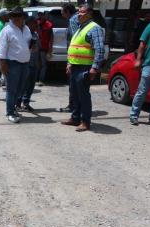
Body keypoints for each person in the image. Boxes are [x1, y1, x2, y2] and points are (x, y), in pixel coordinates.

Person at [61, 4, 105, 132]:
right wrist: (69, 63)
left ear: (89, 14)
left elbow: (99, 49)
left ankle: (85, 121)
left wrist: (94, 68)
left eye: (82, 12)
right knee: (74, 94)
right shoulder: (80, 28)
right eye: (78, 12)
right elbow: (74, 47)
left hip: (85, 67)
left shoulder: (94, 28)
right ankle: (75, 118)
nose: (79, 15)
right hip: (75, 66)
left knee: (83, 96)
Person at [0, 7, 31, 123]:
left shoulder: (26, 29)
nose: (16, 18)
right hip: (12, 64)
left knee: (20, 88)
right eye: (13, 16)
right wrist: (3, 64)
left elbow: (28, 44)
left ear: (23, 17)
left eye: (18, 16)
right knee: (11, 89)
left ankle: (13, 108)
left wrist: (33, 46)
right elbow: (2, 49)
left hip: (25, 63)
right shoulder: (7, 30)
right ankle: (10, 112)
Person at [129, 19, 150, 126]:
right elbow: (142, 44)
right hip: (149, 64)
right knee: (142, 91)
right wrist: (138, 59)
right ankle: (134, 115)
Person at [59, 3, 80, 113]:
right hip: (80, 57)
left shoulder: (73, 20)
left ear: (67, 11)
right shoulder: (78, 18)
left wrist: (70, 61)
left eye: (62, 11)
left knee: (73, 84)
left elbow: (75, 39)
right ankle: (75, 106)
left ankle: (73, 107)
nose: (61, 14)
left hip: (75, 57)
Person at [16, 17, 40, 112]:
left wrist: (38, 62)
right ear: (29, 24)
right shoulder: (24, 34)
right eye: (34, 24)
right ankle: (17, 103)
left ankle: (26, 103)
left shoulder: (36, 35)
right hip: (25, 63)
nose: (36, 26)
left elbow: (37, 49)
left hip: (34, 63)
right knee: (23, 85)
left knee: (31, 85)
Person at [36, 12, 53, 86]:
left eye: (41, 14)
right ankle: (34, 79)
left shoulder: (49, 24)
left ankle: (41, 80)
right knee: (36, 64)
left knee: (43, 65)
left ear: (44, 15)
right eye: (39, 14)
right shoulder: (36, 22)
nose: (40, 16)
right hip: (35, 47)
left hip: (44, 47)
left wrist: (50, 50)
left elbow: (51, 38)